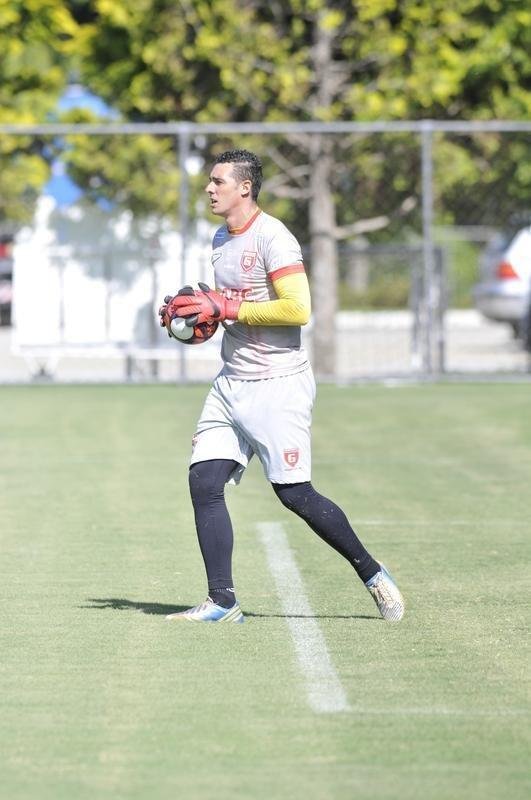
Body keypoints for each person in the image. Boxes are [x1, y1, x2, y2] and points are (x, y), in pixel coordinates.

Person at [159, 149, 404, 624]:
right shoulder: (219, 238)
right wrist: (190, 316)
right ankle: (222, 601)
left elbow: (297, 309)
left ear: (244, 187)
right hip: (231, 382)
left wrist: (227, 308)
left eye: (218, 181)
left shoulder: (274, 237)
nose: (209, 188)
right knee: (203, 480)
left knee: (295, 495)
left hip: (278, 384)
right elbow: (226, 304)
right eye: (210, 181)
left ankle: (372, 572)